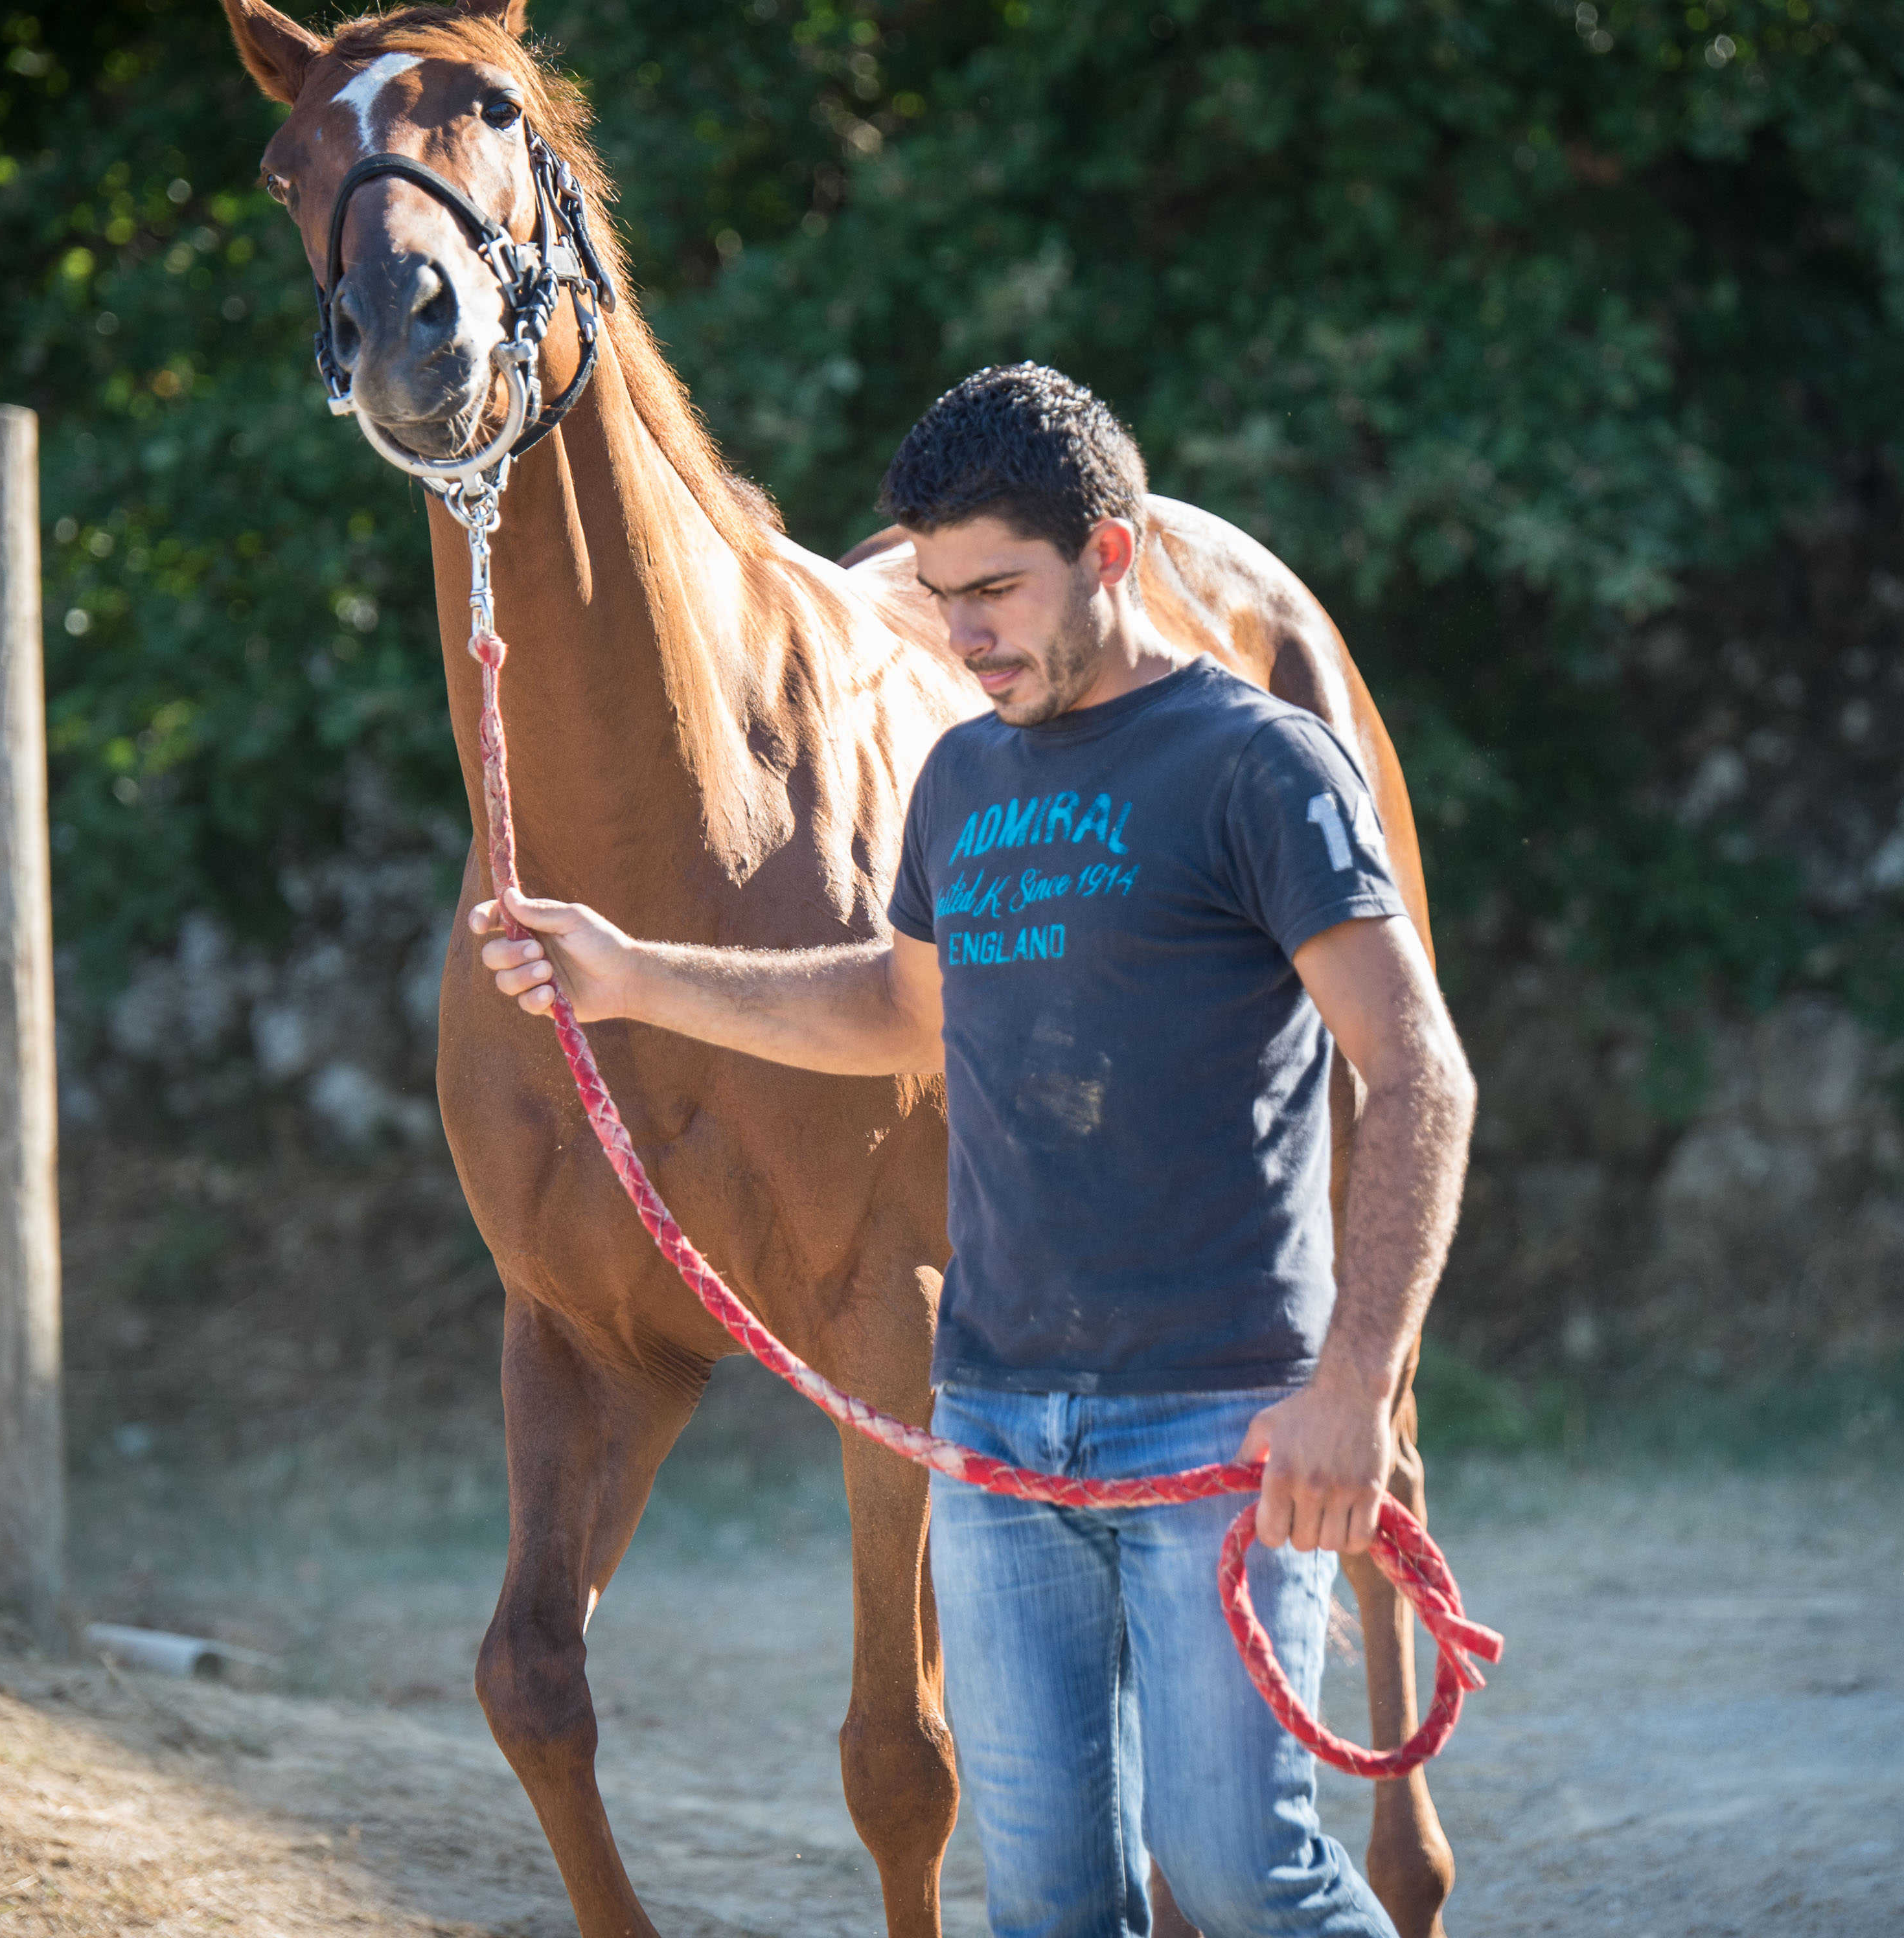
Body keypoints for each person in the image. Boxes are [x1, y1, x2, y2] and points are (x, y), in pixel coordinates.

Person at [468, 361, 1476, 1938]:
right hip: (999, 1434)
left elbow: (1419, 1077)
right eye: (941, 595)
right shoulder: (965, 772)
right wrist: (637, 972)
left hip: (1215, 1416)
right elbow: (898, 1002)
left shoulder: (1257, 768)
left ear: (1115, 554)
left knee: (1236, 1872)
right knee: (1056, 1900)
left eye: (999, 589)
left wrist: (1354, 1379)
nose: (967, 634)